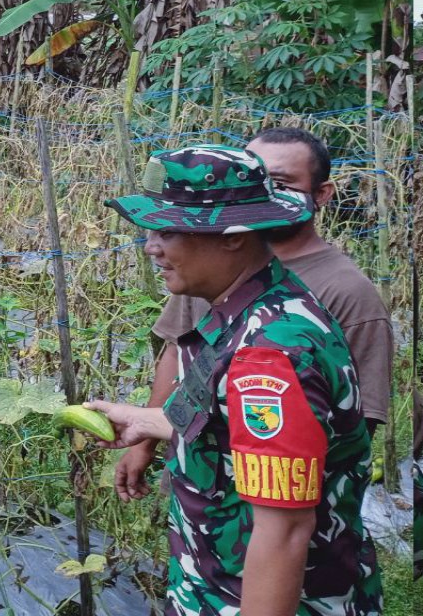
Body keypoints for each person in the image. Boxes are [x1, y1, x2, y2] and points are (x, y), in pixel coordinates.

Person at [87, 144, 381, 615]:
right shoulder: (250, 307)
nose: (151, 247)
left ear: (233, 236)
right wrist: (147, 421)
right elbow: (235, 427)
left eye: (169, 230)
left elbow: (283, 532)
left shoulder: (269, 356)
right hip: (213, 584)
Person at [115, 128, 394, 502]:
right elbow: (177, 353)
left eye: (279, 182)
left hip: (264, 507)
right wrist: (146, 436)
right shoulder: (209, 272)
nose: (152, 248)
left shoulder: (333, 299)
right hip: (205, 498)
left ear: (321, 194)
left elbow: (353, 425)